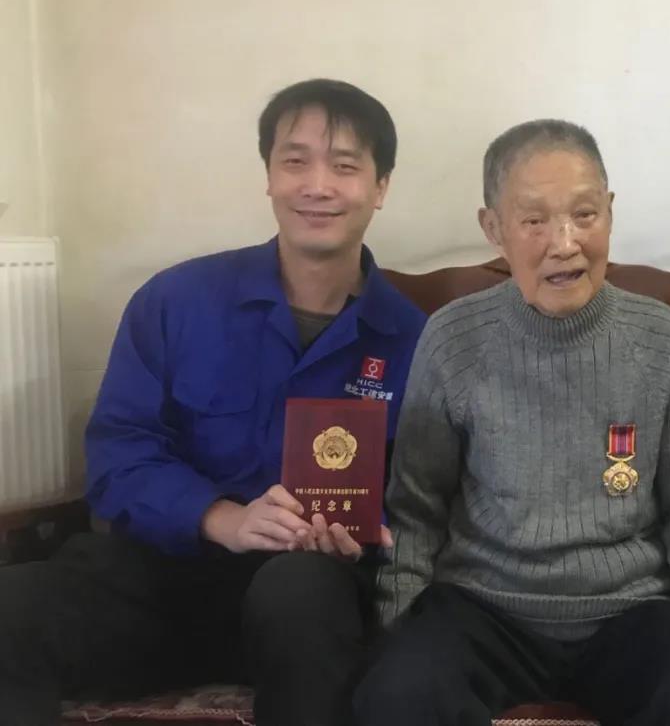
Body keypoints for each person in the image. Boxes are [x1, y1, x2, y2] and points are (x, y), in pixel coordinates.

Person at [0, 79, 426, 726]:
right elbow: (118, 456)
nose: (317, 185)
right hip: (161, 577)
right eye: (295, 161)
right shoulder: (176, 301)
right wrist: (220, 517)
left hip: (309, 599)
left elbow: (421, 492)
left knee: (300, 591)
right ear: (268, 176)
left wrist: (368, 534)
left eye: (345, 166)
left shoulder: (413, 339)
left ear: (381, 186)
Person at [352, 119, 670, 726]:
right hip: (482, 606)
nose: (564, 244)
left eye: (584, 215)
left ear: (610, 212)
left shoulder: (663, 339)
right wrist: (399, 630)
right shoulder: (454, 338)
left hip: (629, 610)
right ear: (494, 229)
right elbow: (415, 507)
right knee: (396, 697)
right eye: (534, 221)